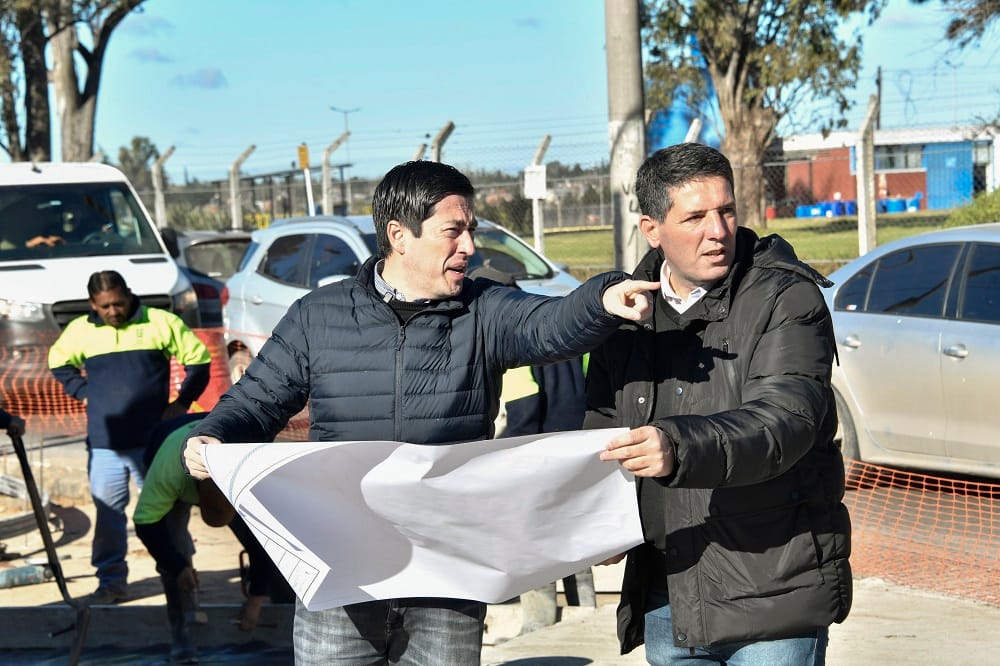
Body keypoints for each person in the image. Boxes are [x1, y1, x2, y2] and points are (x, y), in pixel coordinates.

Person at [182, 159, 659, 665]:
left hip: (448, 575)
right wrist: (213, 435)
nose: (470, 247)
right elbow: (257, 399)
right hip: (339, 569)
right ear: (399, 235)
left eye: (471, 231)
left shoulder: (485, 311)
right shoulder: (318, 316)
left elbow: (553, 322)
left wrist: (604, 297)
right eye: (453, 231)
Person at [586, 143, 852, 665]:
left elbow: (786, 420)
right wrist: (598, 525)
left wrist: (678, 447)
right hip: (670, 593)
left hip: (772, 592)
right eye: (695, 217)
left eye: (726, 211)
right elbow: (602, 431)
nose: (718, 230)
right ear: (652, 228)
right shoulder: (625, 313)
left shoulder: (786, 298)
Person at [48, 270, 211, 605]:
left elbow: (200, 361)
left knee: (165, 515)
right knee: (108, 514)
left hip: (153, 443)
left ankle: (179, 577)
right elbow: (59, 363)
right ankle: (111, 583)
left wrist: (181, 404)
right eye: (105, 306)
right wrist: (83, 391)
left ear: (128, 295)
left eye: (119, 304)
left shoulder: (160, 322)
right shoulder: (79, 331)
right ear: (93, 304)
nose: (113, 311)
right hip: (105, 444)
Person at [472, 265, 597, 634]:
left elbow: (524, 411)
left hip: (539, 454)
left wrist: (494, 457)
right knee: (577, 536)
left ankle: (539, 625)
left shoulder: (509, 340)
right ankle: (586, 613)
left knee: (534, 541)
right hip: (578, 445)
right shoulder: (556, 320)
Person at [134, 413, 293, 664]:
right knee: (173, 552)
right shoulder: (169, 474)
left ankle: (286, 611)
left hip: (229, 468)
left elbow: (263, 541)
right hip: (167, 448)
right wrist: (178, 566)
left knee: (273, 544)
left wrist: (255, 598)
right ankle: (182, 635)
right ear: (194, 493)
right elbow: (145, 523)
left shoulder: (250, 468)